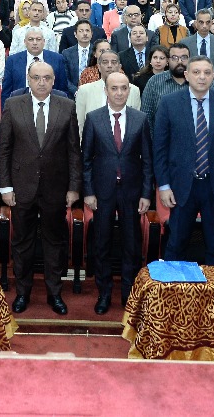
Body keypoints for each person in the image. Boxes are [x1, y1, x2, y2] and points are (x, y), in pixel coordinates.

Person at [0, 59, 81, 315]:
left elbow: (74, 151)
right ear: (29, 80)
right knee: (22, 243)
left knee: (54, 243)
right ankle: (22, 293)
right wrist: (5, 187)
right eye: (36, 78)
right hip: (21, 187)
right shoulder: (13, 105)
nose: (42, 82)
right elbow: (4, 150)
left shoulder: (67, 106)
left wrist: (73, 187)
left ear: (54, 80)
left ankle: (54, 293)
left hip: (55, 188)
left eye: (47, 78)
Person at [154, 55, 214, 265]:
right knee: (176, 243)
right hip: (182, 185)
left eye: (206, 73)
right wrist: (164, 186)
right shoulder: (169, 103)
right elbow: (160, 148)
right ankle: (173, 286)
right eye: (196, 72)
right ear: (186, 75)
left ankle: (213, 287)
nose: (201, 77)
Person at [81, 71, 152, 313]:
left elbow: (147, 161)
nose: (119, 93)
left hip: (132, 191)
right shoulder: (94, 118)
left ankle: (128, 294)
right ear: (106, 91)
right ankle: (104, 294)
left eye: (124, 88)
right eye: (114, 88)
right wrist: (88, 191)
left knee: (131, 244)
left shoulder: (140, 119)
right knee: (102, 243)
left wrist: (146, 193)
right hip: (102, 191)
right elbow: (86, 159)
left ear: (129, 91)